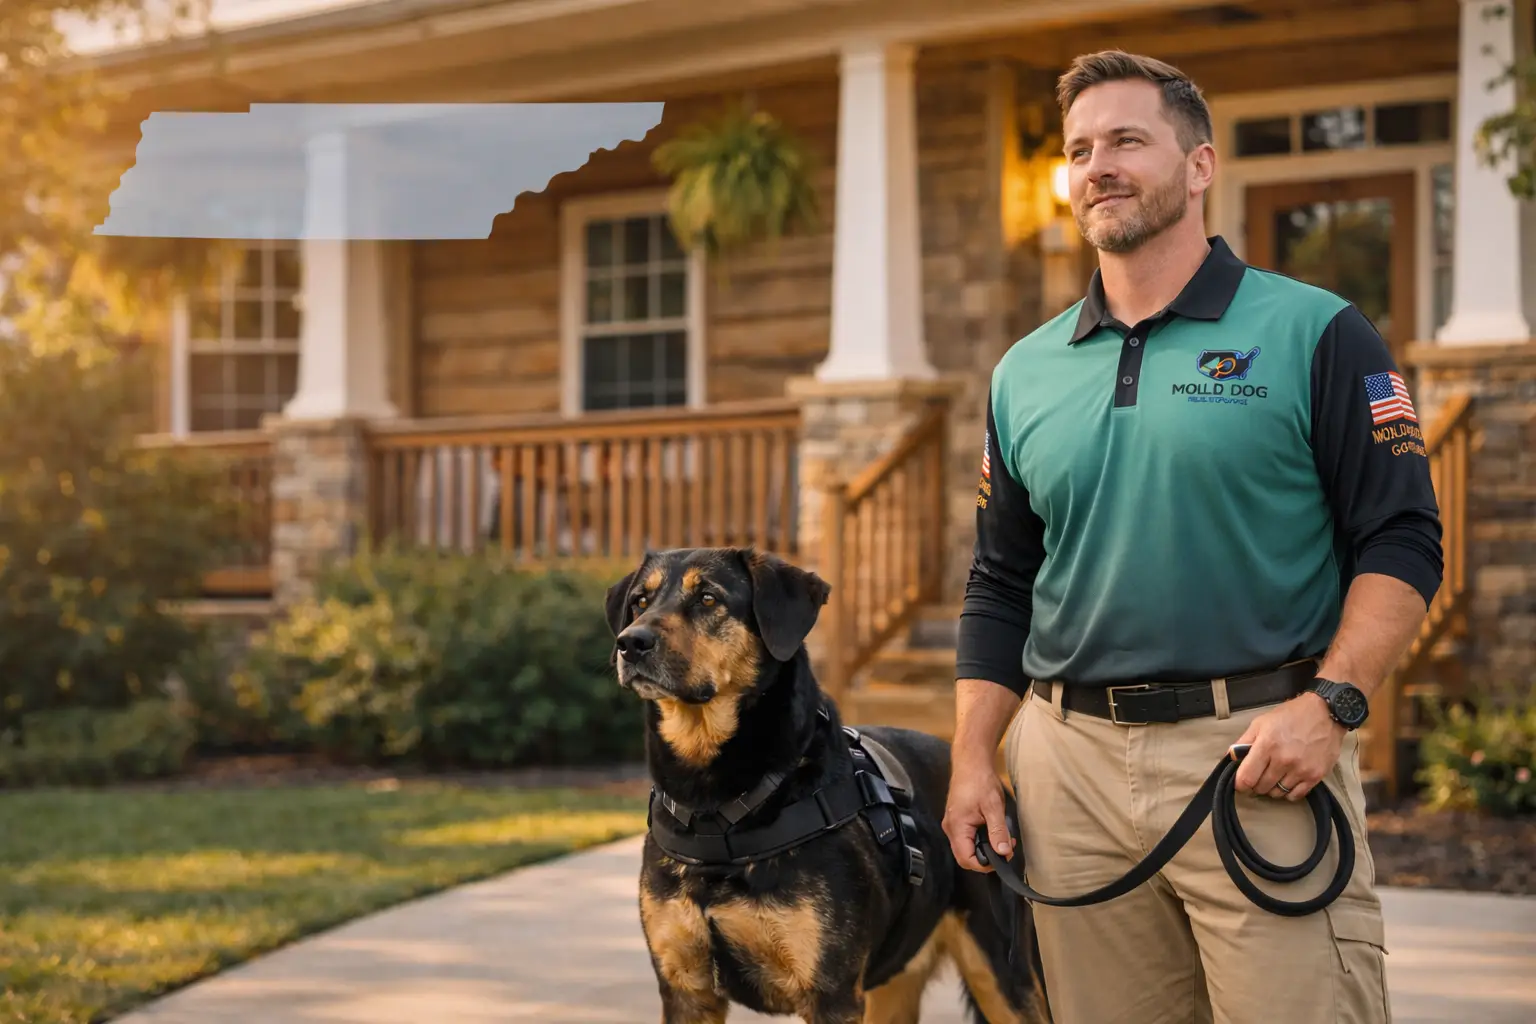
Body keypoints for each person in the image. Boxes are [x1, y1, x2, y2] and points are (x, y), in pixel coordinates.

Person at [940, 49, 1442, 1024]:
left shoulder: (1318, 332)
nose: (1099, 166)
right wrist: (973, 761)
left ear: (1200, 165)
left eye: (1127, 139)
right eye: (1080, 150)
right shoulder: (1024, 373)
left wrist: (1332, 703)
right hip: (1067, 768)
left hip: (1257, 754)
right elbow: (1001, 581)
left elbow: (1404, 538)